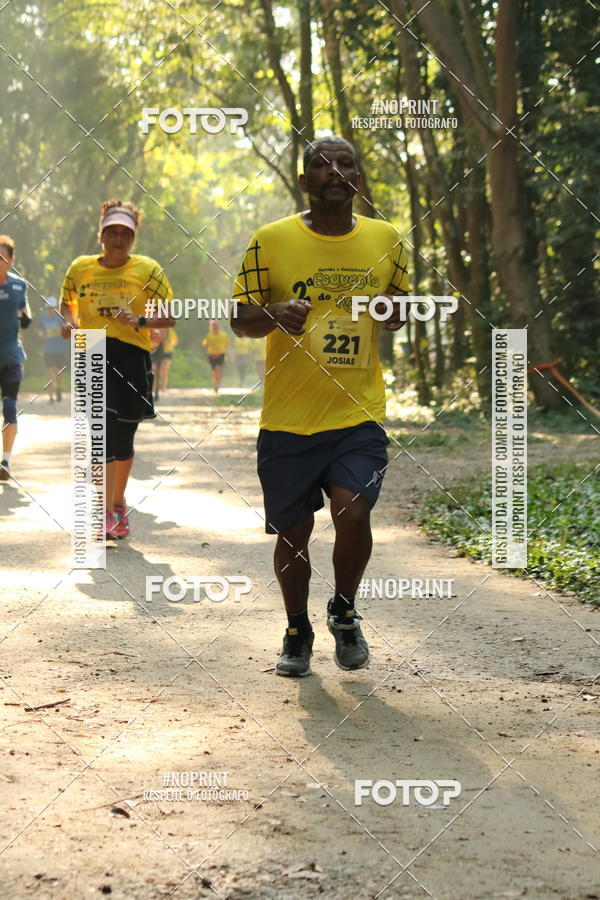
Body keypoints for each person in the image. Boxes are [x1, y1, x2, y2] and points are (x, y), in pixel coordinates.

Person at [231, 135, 409, 677]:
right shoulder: (270, 240)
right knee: (293, 533)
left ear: (358, 178)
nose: (334, 171)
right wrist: (276, 313)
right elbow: (240, 319)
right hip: (287, 419)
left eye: (345, 163)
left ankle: (344, 611)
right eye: (320, 164)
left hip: (358, 411)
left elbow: (397, 305)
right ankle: (295, 627)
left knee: (354, 510)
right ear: (304, 181)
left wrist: (394, 312)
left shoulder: (387, 239)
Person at [60, 200, 175, 539]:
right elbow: (68, 304)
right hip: (92, 351)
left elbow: (168, 316)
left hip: (132, 357)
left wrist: (140, 320)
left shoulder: (148, 269)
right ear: (102, 235)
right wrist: (69, 324)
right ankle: (102, 509)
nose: (119, 239)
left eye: (127, 233)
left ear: (134, 238)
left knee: (123, 437)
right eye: (113, 232)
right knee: (100, 432)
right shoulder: (80, 268)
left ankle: (118, 503)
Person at [0, 235, 32, 481]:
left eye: (2, 257)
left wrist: (26, 316)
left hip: (11, 357)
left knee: (9, 406)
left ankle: (5, 461)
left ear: (11, 260)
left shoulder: (19, 285)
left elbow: (25, 310)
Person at [37, 296, 67, 403]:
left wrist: (61, 333)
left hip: (60, 349)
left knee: (58, 372)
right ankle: (51, 397)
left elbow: (67, 332)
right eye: (49, 308)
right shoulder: (43, 318)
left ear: (56, 308)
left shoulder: (61, 318)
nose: (51, 310)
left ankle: (58, 389)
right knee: (49, 372)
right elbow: (39, 330)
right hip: (48, 349)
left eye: (52, 307)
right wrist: (41, 335)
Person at [203, 320, 229, 393]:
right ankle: (216, 382)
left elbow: (227, 344)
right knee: (214, 370)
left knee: (218, 368)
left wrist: (228, 354)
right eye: (213, 327)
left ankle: (217, 383)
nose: (214, 328)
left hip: (221, 354)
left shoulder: (223, 335)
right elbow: (205, 344)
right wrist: (209, 345)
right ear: (211, 328)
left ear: (219, 327)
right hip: (211, 354)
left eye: (216, 327)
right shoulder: (209, 335)